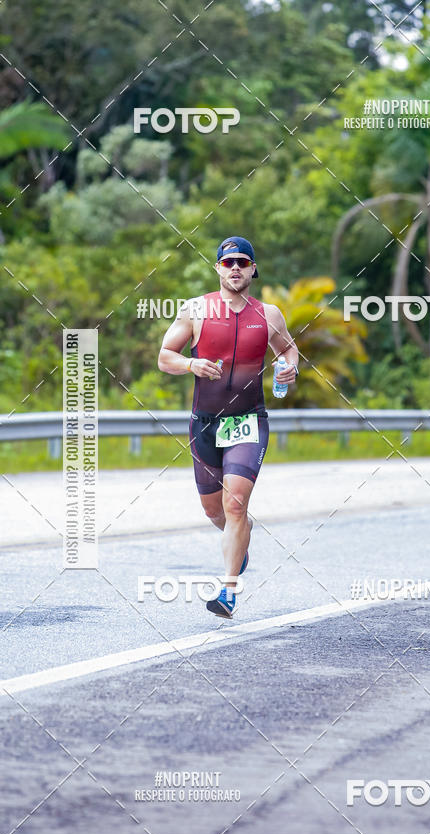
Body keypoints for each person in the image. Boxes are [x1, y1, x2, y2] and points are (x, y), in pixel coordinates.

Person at [158, 236, 299, 618]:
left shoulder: (269, 314)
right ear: (218, 269)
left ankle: (229, 591)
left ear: (254, 269)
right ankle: (240, 541)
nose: (235, 268)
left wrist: (290, 366)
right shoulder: (196, 310)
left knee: (234, 504)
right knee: (214, 511)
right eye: (227, 262)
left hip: (249, 421)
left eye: (242, 262)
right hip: (204, 423)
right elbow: (164, 357)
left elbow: (287, 348)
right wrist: (191, 365)